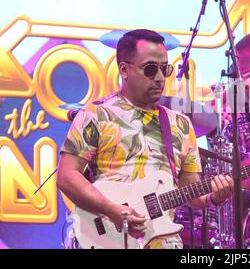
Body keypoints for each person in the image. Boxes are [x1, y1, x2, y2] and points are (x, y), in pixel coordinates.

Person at [57, 29, 234, 249]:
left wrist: (214, 197)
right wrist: (113, 210)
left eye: (165, 69)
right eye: (150, 69)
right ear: (124, 69)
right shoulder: (96, 115)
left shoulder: (180, 125)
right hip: (109, 240)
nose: (160, 78)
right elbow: (66, 176)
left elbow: (192, 195)